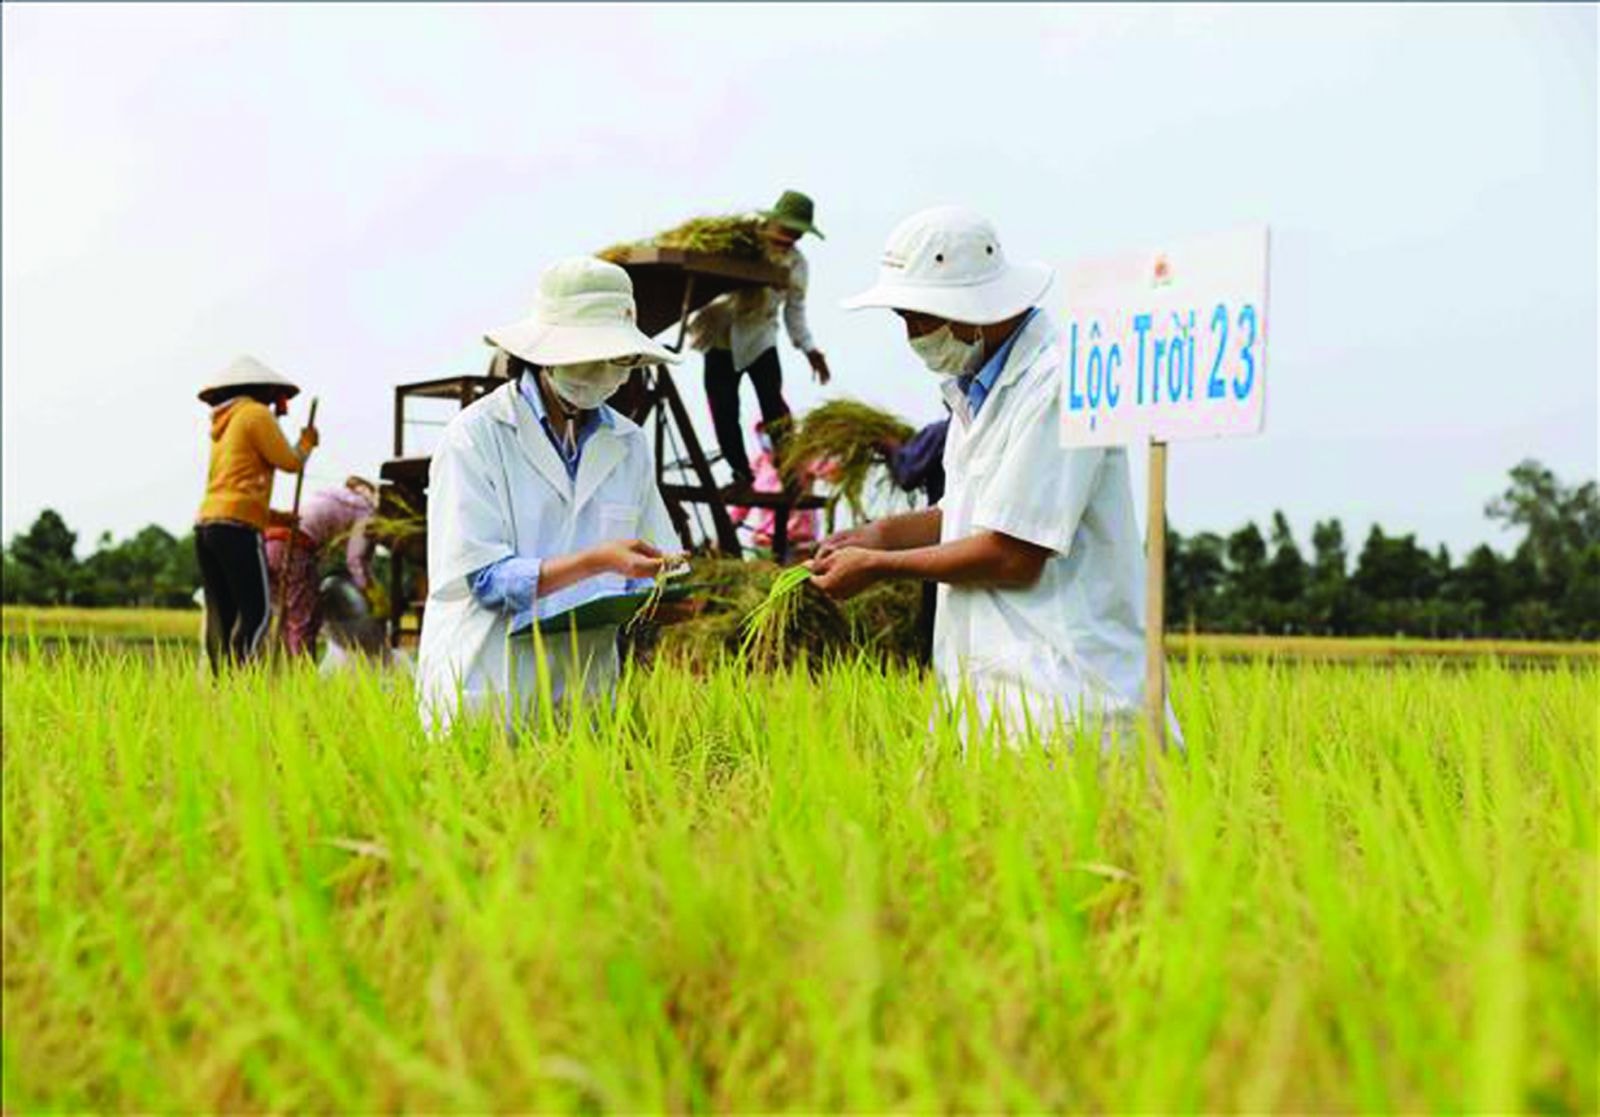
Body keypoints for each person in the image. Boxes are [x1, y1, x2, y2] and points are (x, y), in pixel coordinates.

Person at [812, 206, 1172, 745]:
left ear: (966, 308)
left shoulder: (1055, 383)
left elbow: (1013, 553)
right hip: (999, 708)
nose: (911, 335)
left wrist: (881, 565)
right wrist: (879, 534)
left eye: (916, 317)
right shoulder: (973, 388)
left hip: (1068, 704)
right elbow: (963, 514)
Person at [417, 257, 681, 732]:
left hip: (585, 693)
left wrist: (679, 588)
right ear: (543, 356)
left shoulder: (629, 443)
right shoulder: (476, 437)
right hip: (490, 682)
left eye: (616, 359)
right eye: (587, 356)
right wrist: (598, 562)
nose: (602, 371)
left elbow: (661, 561)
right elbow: (487, 579)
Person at [689, 189, 832, 497]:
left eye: (796, 234)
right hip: (720, 336)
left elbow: (795, 311)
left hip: (760, 340)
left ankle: (790, 474)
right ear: (773, 221)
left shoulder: (796, 265)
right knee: (724, 410)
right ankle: (741, 473)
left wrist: (810, 349)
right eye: (786, 229)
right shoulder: (741, 245)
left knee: (775, 411)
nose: (790, 237)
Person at [194, 355, 319, 671]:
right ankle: (241, 683)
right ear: (262, 390)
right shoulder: (255, 413)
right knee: (257, 613)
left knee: (222, 614)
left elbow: (233, 487)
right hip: (237, 529)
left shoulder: (225, 423)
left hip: (209, 525)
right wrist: (306, 443)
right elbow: (290, 462)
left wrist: (277, 518)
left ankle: (219, 682)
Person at [263, 476, 380, 657]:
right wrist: (370, 591)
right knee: (304, 620)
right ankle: (302, 677)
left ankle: (284, 675)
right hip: (293, 547)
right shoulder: (366, 511)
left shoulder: (331, 495)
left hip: (268, 543)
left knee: (285, 619)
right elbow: (355, 560)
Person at [879, 416, 950, 665]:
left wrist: (892, 448)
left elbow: (907, 473)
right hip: (970, 536)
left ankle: (931, 667)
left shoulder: (942, 432)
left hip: (942, 539)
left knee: (936, 612)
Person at [727, 420, 825, 556]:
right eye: (763, 433)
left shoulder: (802, 460)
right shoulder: (759, 463)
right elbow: (743, 503)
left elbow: (828, 469)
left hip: (799, 544)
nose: (766, 437)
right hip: (765, 543)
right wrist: (726, 527)